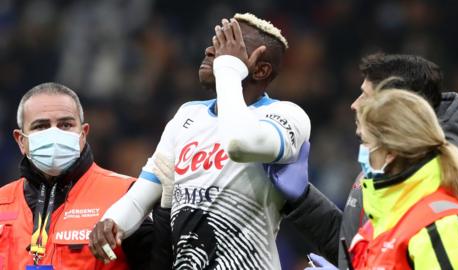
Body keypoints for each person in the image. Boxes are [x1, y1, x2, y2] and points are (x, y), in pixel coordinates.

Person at [89, 13, 310, 269]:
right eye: (216, 42)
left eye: (230, 46)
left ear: (261, 70)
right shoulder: (188, 115)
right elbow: (141, 197)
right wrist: (111, 222)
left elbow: (240, 143)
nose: (210, 50)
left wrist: (228, 69)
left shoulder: (287, 115)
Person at [267, 53, 458, 268]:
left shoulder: (443, 221)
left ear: (396, 107)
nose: (355, 105)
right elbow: (358, 255)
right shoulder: (388, 181)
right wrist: (304, 201)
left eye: (366, 96)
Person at [0, 83, 159, 269]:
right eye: (41, 126)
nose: (54, 133)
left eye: (65, 124)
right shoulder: (2, 200)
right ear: (21, 141)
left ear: (83, 134)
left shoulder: (128, 197)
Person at [349, 88, 458, 268]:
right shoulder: (383, 219)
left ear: (390, 153)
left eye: (365, 141)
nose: (362, 150)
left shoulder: (441, 226)